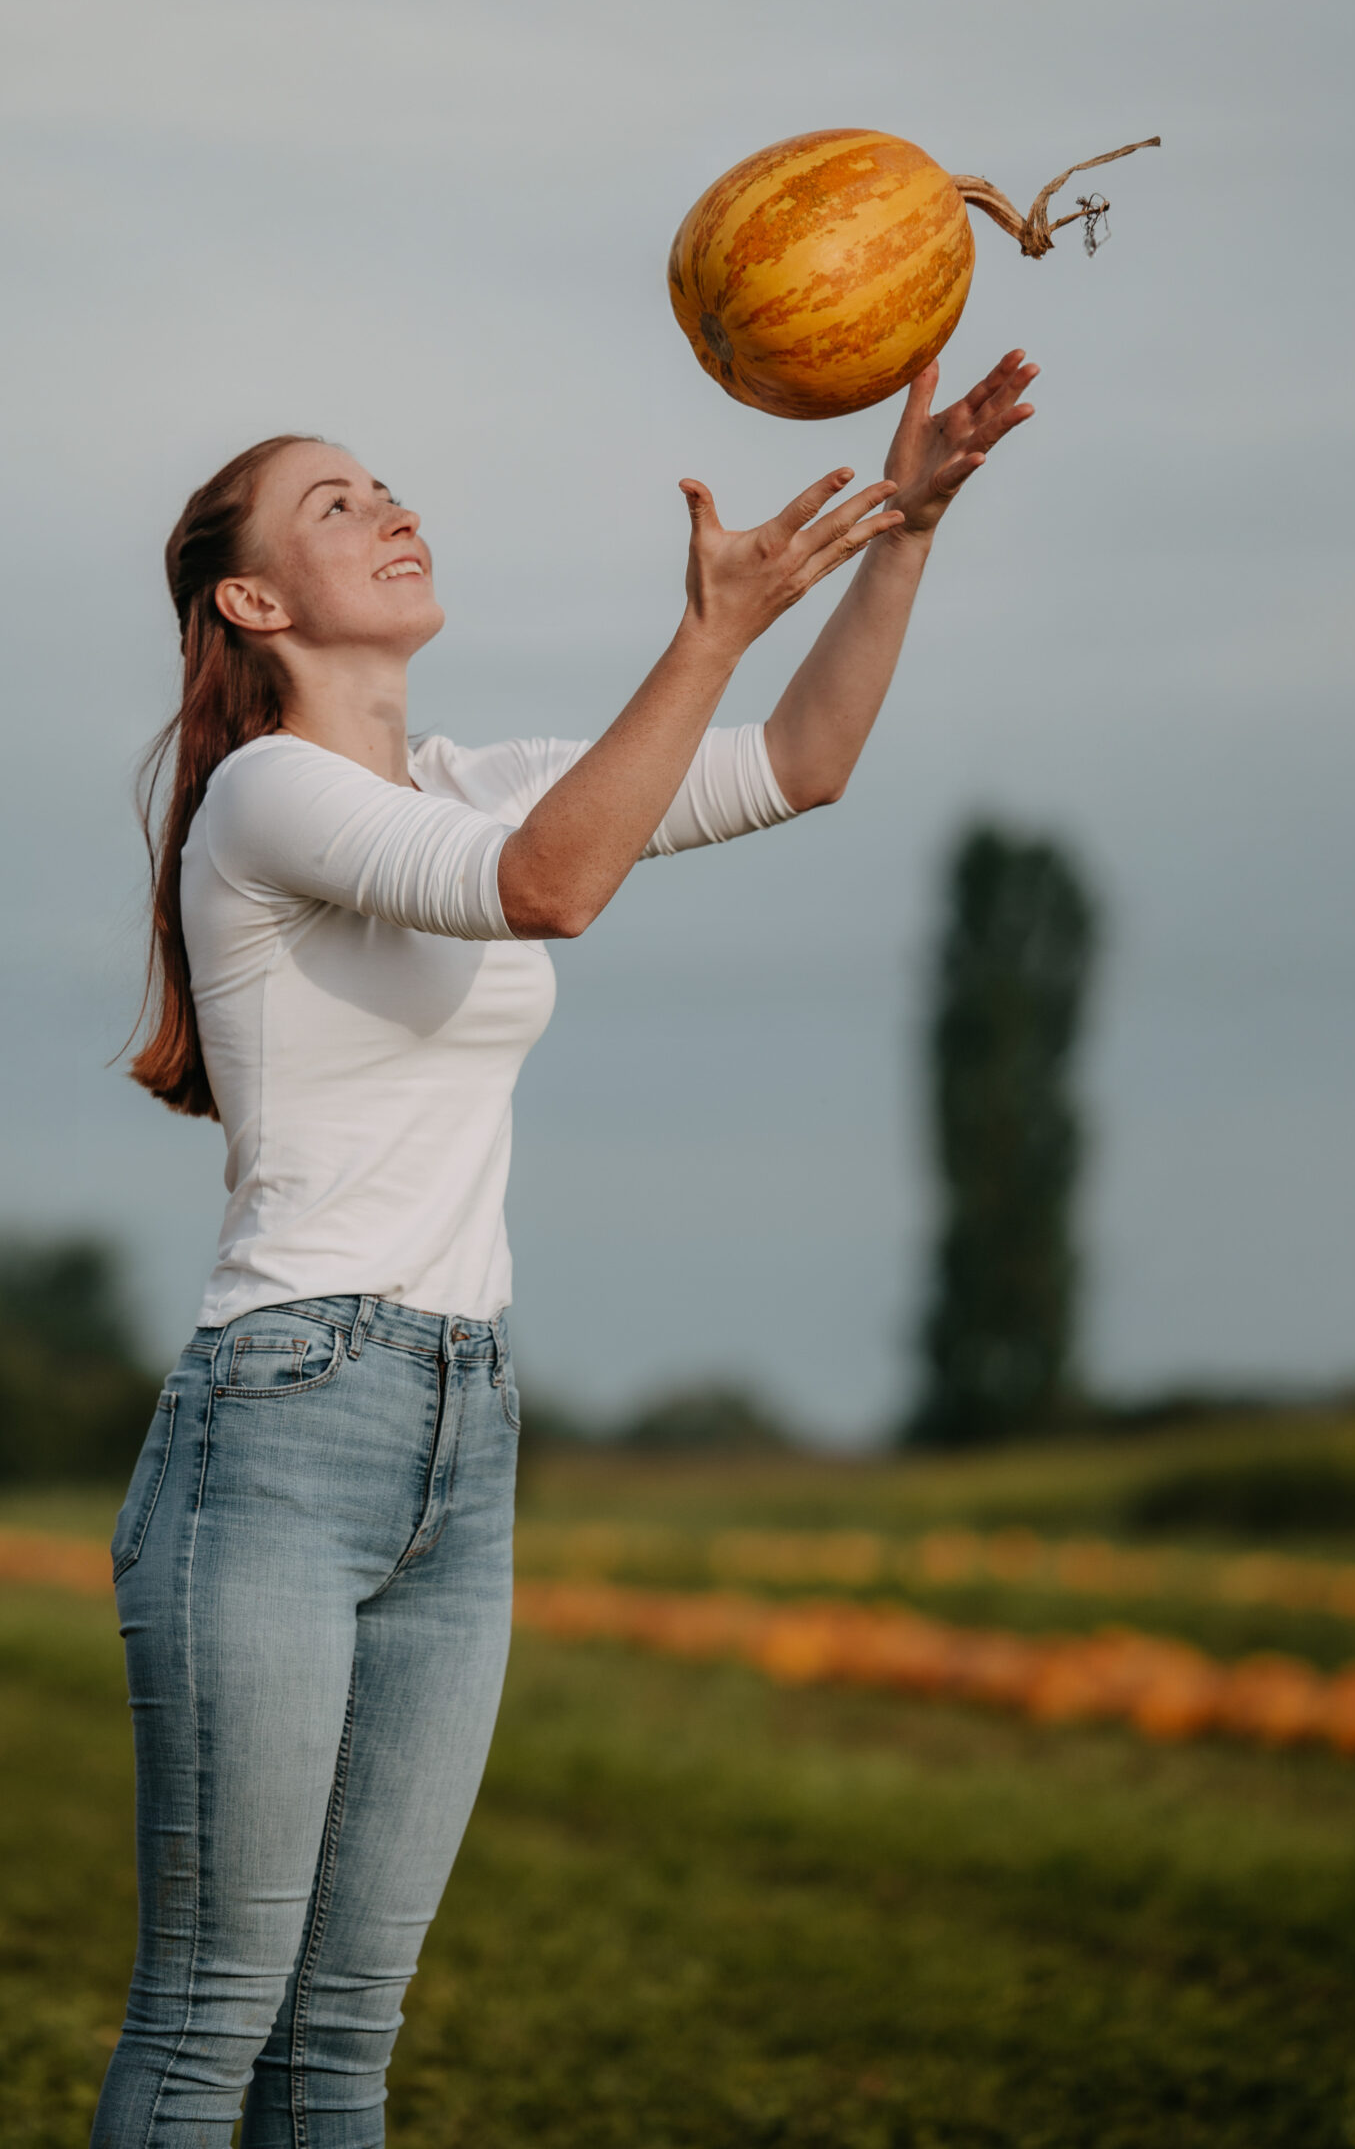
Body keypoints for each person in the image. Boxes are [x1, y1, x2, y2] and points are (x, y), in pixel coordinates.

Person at [92, 347, 1038, 2148]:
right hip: (281, 1430)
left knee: (345, 2041)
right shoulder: (268, 800)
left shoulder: (469, 778)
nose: (393, 508)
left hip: (468, 1430)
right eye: (336, 500)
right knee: (217, 2020)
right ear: (254, 597)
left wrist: (903, 527)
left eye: (389, 481)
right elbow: (554, 891)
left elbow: (809, 762)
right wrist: (712, 628)